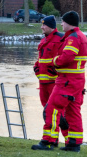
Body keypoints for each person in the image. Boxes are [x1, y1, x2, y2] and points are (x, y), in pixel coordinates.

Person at [32, 11, 87, 152]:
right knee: (73, 111)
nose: (61, 24)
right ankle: (73, 144)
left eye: (63, 21)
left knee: (52, 108)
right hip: (76, 81)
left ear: (68, 22)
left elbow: (66, 58)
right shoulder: (80, 36)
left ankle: (48, 141)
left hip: (67, 81)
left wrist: (55, 61)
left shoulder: (73, 38)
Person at [33, 15, 64, 146]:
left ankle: (50, 140)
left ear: (50, 26)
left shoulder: (60, 39)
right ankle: (54, 139)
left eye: (44, 25)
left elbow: (64, 59)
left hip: (54, 83)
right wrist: (36, 67)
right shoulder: (44, 40)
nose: (41, 27)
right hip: (43, 84)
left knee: (52, 112)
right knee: (48, 113)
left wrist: (54, 71)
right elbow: (41, 59)